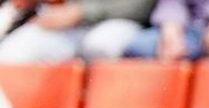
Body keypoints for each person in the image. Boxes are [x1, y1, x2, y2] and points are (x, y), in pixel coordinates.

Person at [0, 0, 154, 62]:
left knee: (101, 44)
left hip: (119, 22)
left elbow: (137, 6)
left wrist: (82, 12)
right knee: (10, 54)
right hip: (63, 21)